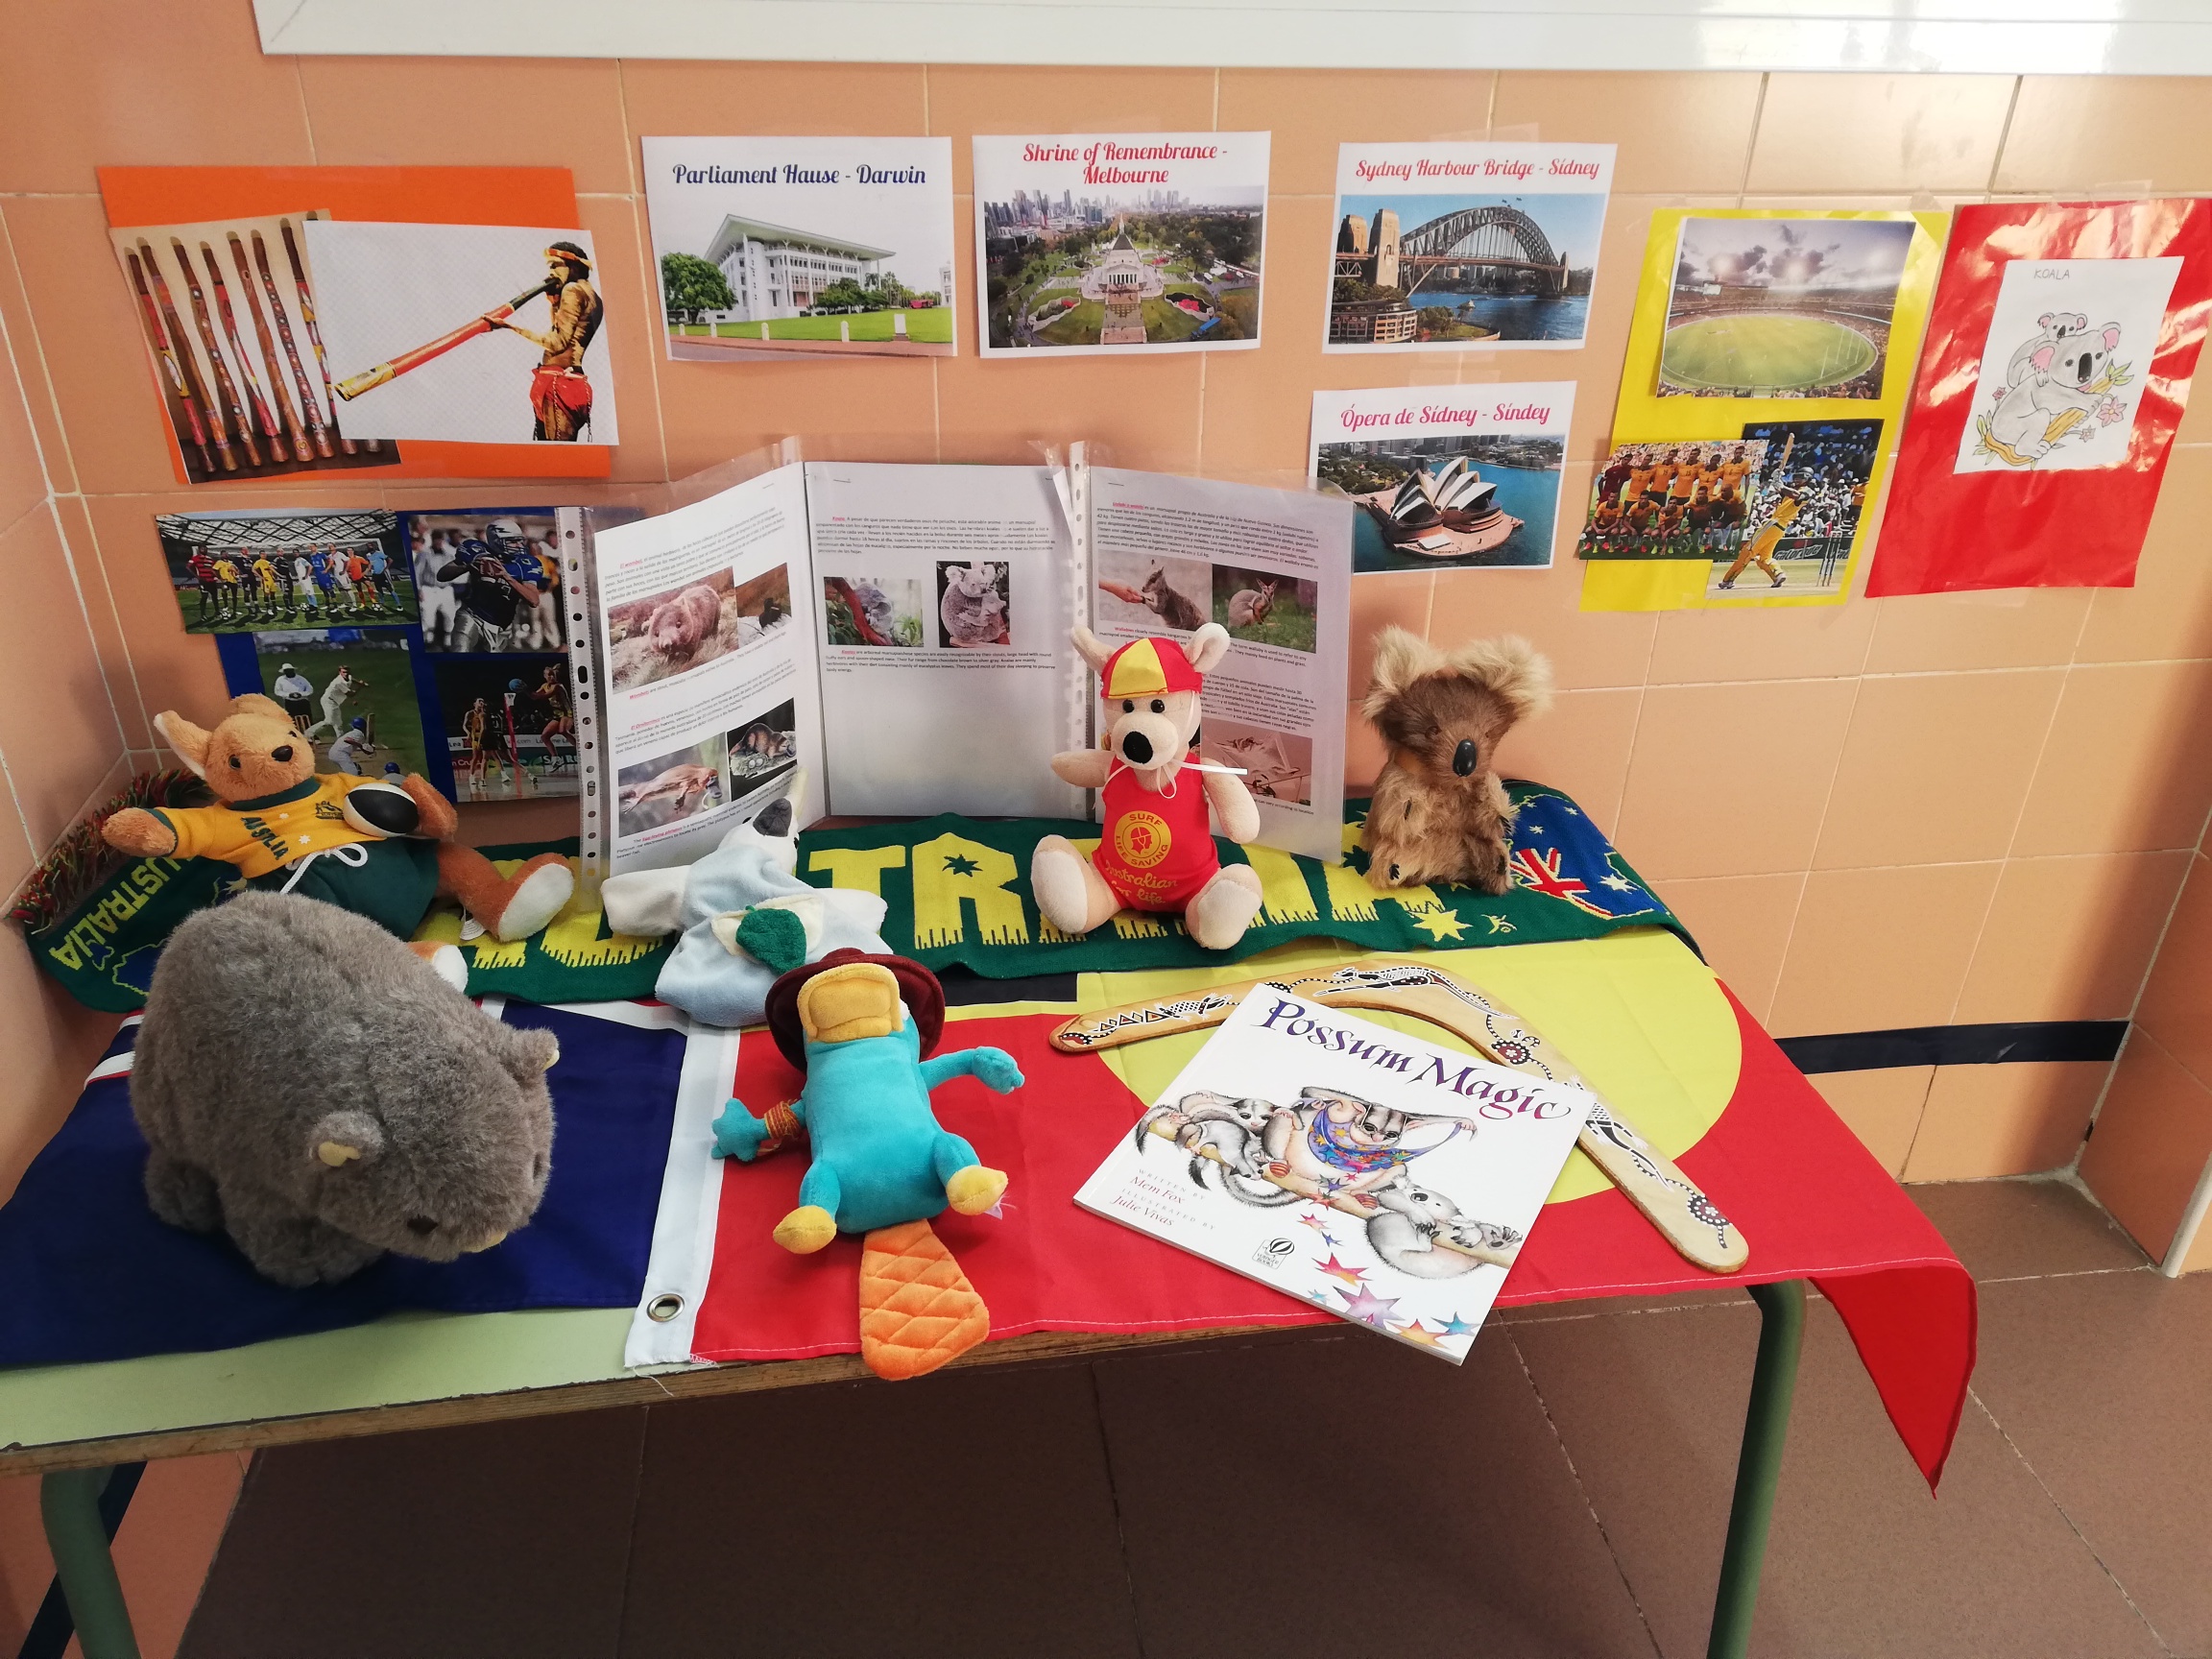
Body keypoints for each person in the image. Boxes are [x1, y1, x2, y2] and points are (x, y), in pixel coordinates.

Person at [487, 242, 602, 443]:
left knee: (555, 453)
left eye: (555, 265)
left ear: (573, 267)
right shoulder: (591, 294)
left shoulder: (572, 289)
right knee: (555, 450)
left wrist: (510, 327)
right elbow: (569, 336)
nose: (551, 272)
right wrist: (555, 305)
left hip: (559, 384)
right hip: (571, 380)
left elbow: (557, 343)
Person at [438, 518, 542, 653]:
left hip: (501, 625)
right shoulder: (478, 551)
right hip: (472, 615)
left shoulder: (526, 564)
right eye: (512, 541)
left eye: (520, 540)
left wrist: (507, 577)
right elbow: (442, 575)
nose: (519, 545)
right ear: (496, 540)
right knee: (460, 654)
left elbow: (534, 600)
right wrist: (467, 566)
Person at [1719, 482, 1798, 589]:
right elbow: (1786, 493)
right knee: (1765, 557)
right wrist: (1779, 484)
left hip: (1773, 524)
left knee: (1747, 552)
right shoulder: (1792, 502)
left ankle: (1727, 580)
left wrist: (1780, 484)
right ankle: (1778, 574)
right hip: (1781, 529)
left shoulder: (1799, 495)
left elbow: (1792, 493)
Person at [530, 663, 572, 773]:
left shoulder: (557, 686)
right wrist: (525, 690)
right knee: (544, 736)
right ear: (545, 676)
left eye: (553, 675)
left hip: (568, 713)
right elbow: (534, 696)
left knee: (562, 731)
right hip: (557, 715)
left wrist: (530, 693)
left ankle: (582, 751)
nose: (552, 677)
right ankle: (556, 759)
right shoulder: (544, 686)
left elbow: (545, 696)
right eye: (549, 675)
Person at [302, 664, 361, 741]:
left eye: (347, 672)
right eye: (343, 672)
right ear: (340, 672)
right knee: (328, 721)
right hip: (328, 701)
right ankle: (308, 733)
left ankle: (340, 739)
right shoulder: (338, 682)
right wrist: (360, 686)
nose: (346, 674)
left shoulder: (348, 677)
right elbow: (351, 694)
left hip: (335, 702)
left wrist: (359, 682)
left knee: (338, 723)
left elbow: (351, 679)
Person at [462, 695, 507, 788]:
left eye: (482, 701)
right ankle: (472, 776)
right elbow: (464, 725)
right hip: (476, 737)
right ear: (474, 704)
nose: (481, 703)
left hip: (486, 737)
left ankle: (502, 775)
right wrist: (468, 733)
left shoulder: (485, 713)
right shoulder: (470, 713)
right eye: (479, 701)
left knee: (492, 756)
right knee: (475, 757)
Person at [271, 661, 315, 730]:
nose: (288, 672)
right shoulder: (280, 680)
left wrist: (301, 694)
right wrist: (288, 695)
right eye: (286, 671)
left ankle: (310, 733)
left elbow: (310, 689)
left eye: (290, 670)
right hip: (290, 702)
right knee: (292, 719)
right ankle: (296, 733)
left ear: (293, 670)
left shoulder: (301, 679)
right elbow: (277, 691)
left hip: (302, 701)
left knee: (307, 718)